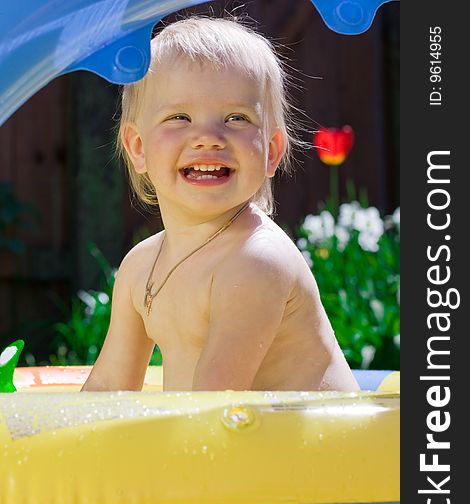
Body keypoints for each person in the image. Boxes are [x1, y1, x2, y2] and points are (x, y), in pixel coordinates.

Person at [82, 16, 359, 392]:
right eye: (180, 117)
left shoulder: (255, 261)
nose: (209, 138)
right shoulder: (140, 267)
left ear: (271, 152)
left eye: (236, 118)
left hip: (315, 447)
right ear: (138, 148)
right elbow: (107, 389)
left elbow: (211, 412)